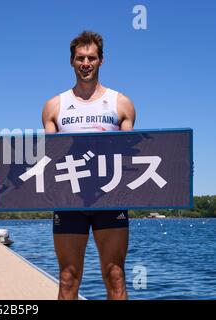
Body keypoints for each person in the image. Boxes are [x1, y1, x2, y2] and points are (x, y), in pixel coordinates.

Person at [41, 31, 136, 300]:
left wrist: (177, 167)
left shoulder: (122, 104)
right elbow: (48, 159)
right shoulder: (54, 106)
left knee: (115, 275)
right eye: (80, 58)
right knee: (68, 277)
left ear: (101, 61)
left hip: (110, 200)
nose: (86, 63)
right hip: (69, 201)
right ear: (71, 62)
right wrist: (10, 172)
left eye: (91, 58)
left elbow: (132, 157)